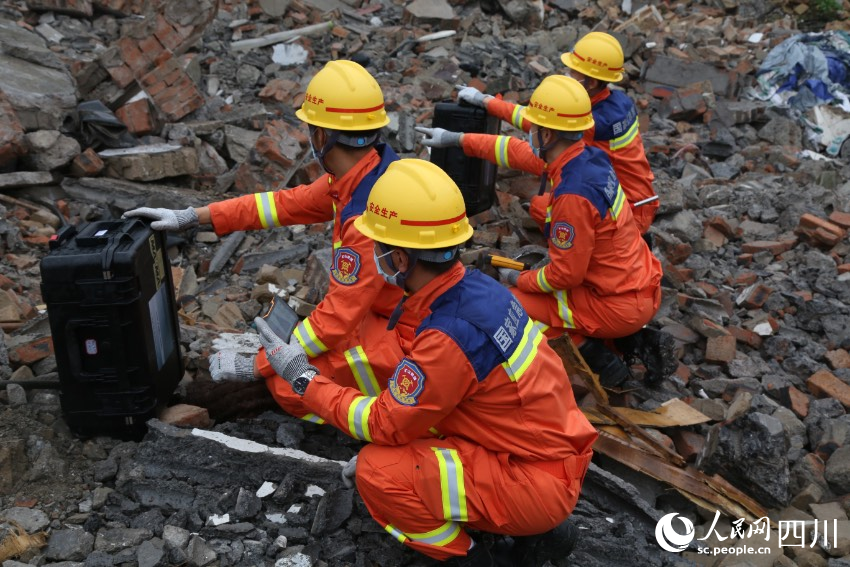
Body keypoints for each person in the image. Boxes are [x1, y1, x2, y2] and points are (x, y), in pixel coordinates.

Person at [247, 158, 597, 566]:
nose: (372, 255)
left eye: (378, 247)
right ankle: (537, 531)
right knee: (404, 419)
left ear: (400, 259)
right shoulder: (475, 289)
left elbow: (381, 424)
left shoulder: (449, 337)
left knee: (379, 473)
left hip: (530, 480)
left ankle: (473, 557)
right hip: (543, 455)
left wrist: (304, 378)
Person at [124, 60, 414, 422]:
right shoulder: (370, 174)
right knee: (297, 356)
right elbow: (279, 205)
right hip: (388, 315)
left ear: (322, 136)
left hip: (403, 338)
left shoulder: (366, 217)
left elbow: (336, 320)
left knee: (288, 387)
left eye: (310, 129)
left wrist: (257, 365)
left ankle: (380, 414)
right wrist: (193, 217)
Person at [416, 75, 662, 387]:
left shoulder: (573, 196)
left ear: (547, 133)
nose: (529, 133)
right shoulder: (587, 158)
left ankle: (601, 363)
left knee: (510, 306)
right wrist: (457, 139)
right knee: (541, 252)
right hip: (638, 284)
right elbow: (513, 150)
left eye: (533, 128)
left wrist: (517, 278)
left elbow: (564, 276)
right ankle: (627, 342)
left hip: (616, 304)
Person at [455, 31, 659, 235]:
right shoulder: (618, 103)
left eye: (573, 72)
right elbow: (540, 122)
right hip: (639, 201)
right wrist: (490, 104)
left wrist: (481, 112)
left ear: (592, 83)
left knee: (543, 206)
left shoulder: (591, 125)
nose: (568, 74)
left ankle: (586, 256)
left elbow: (533, 127)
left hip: (630, 214)